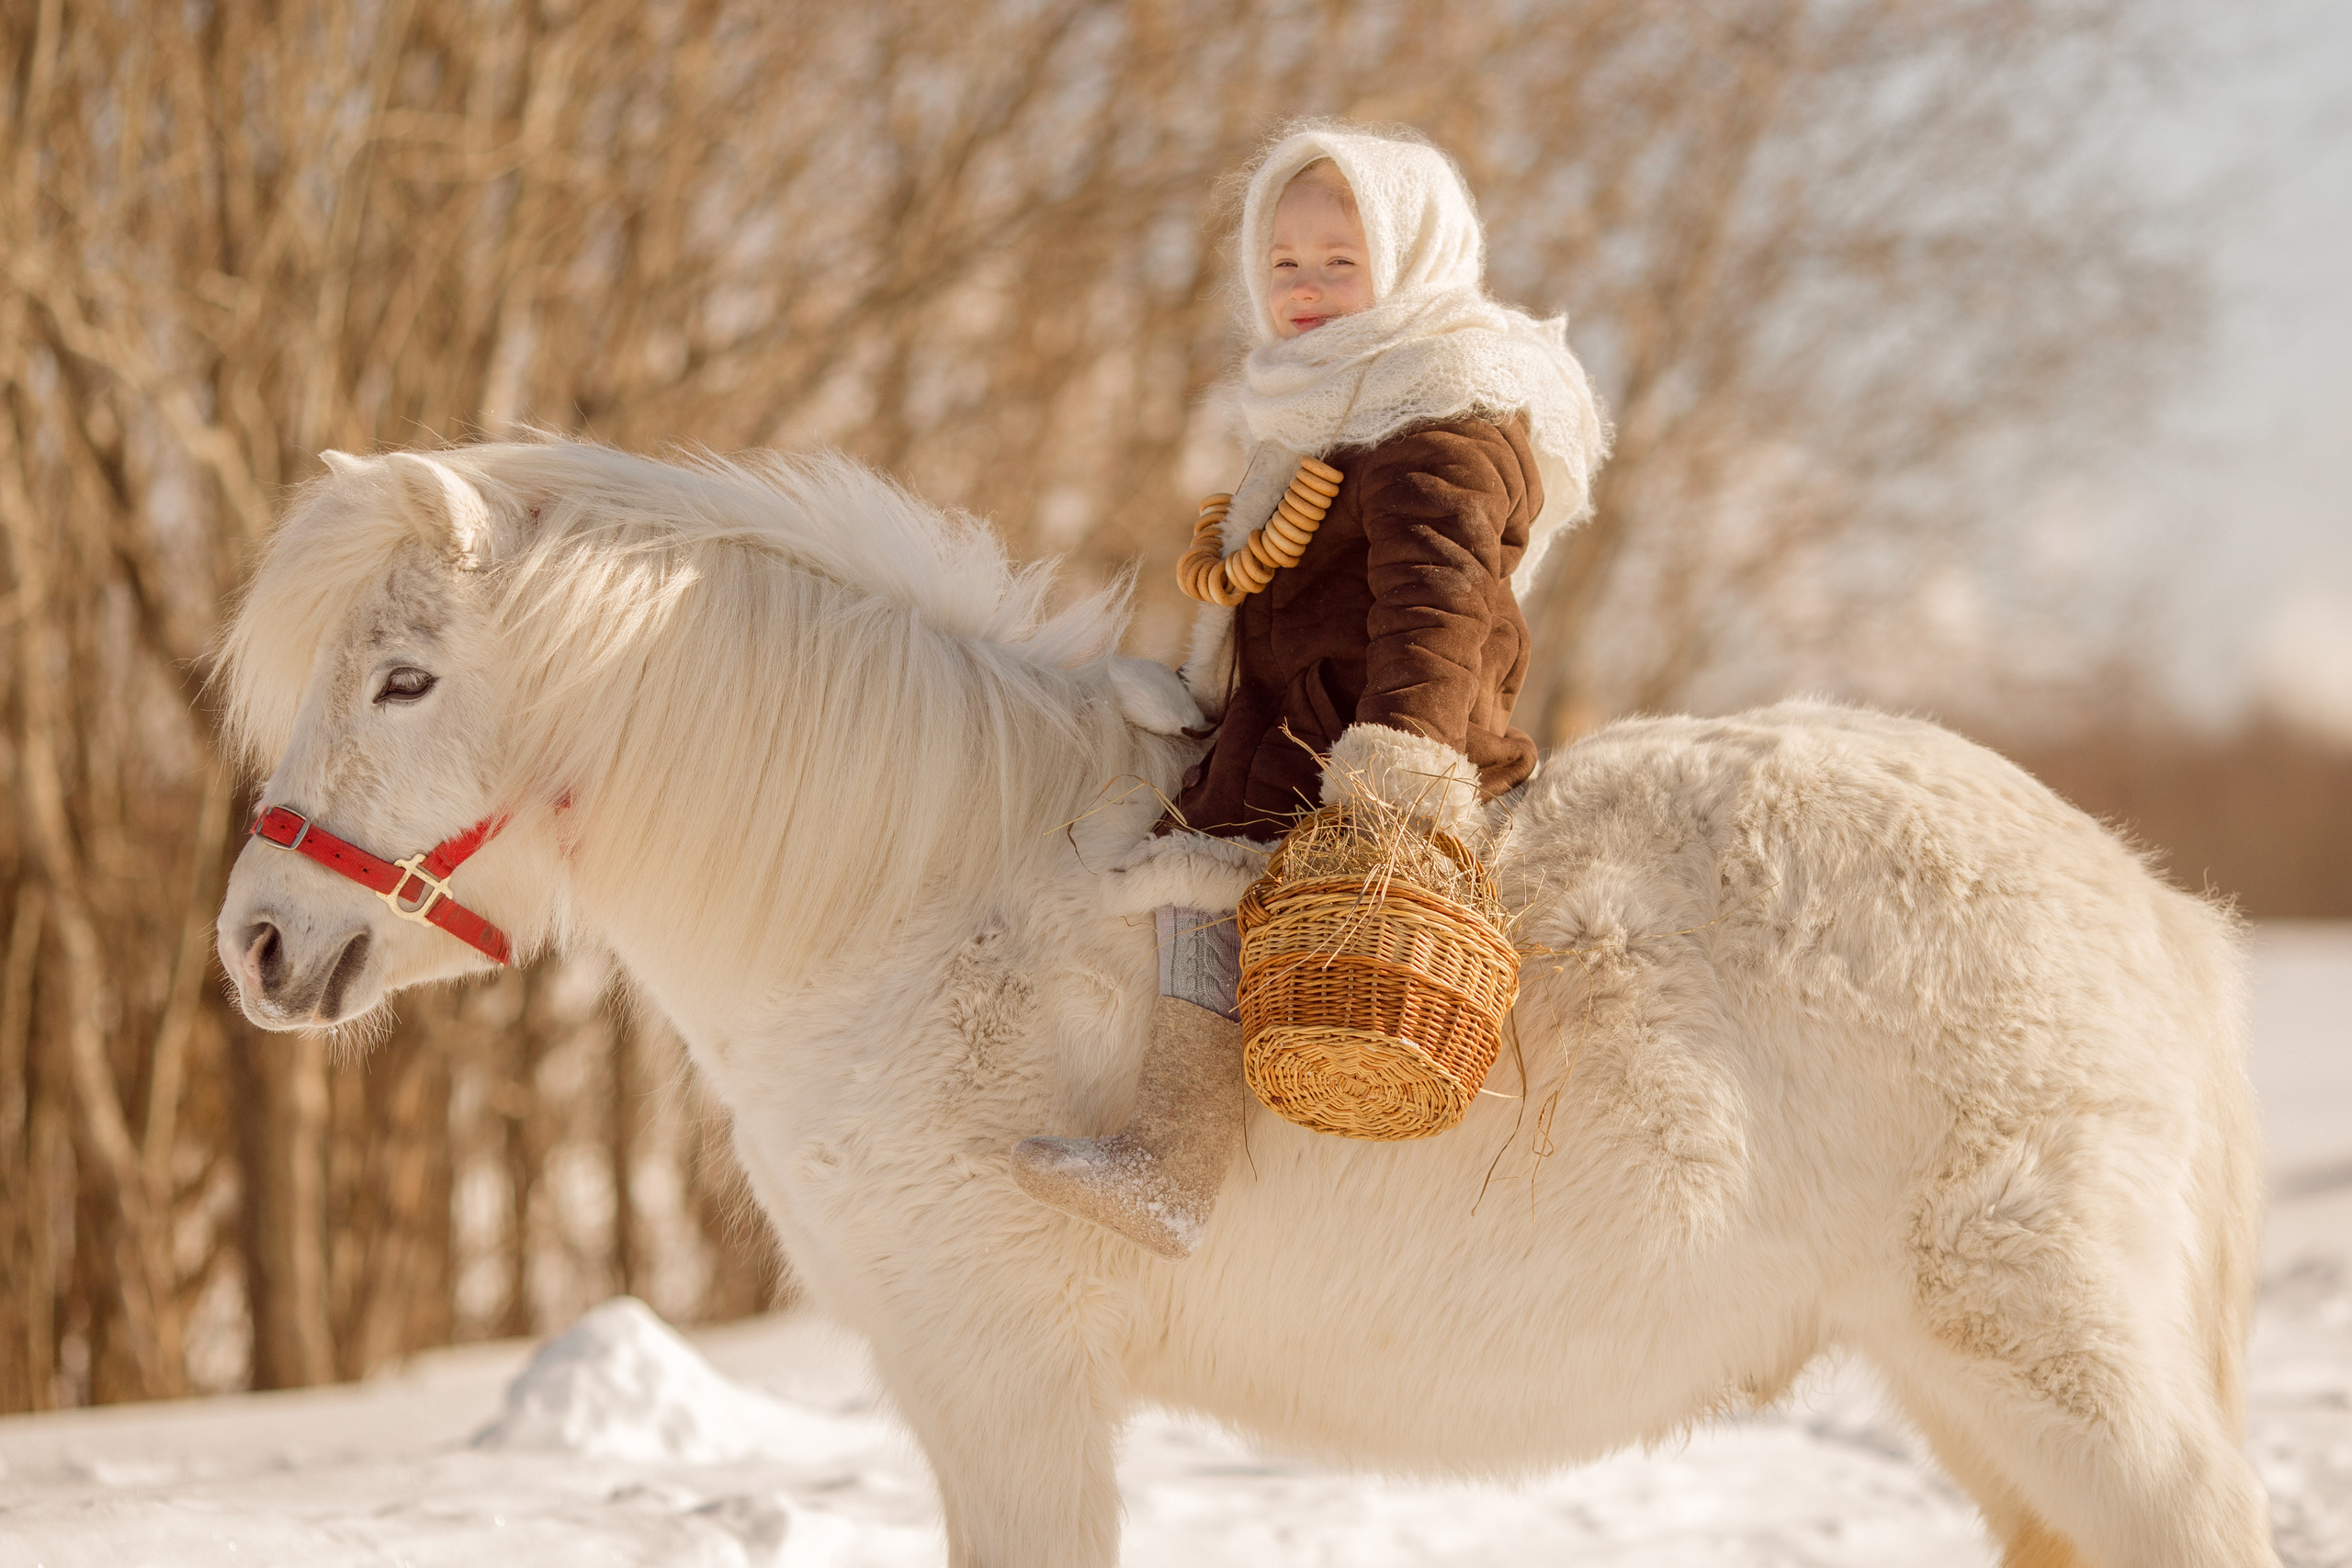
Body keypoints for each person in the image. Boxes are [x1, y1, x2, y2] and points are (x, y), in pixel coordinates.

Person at [1010, 122, 1610, 1258]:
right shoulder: (1328, 409)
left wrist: (1399, 774)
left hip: (1365, 742)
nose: (1307, 288)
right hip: (1296, 717)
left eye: (1342, 261)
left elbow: (1437, 606)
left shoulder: (1439, 418)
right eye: (1285, 264)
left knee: (1204, 884)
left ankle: (1176, 1165)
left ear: (1415, 259)